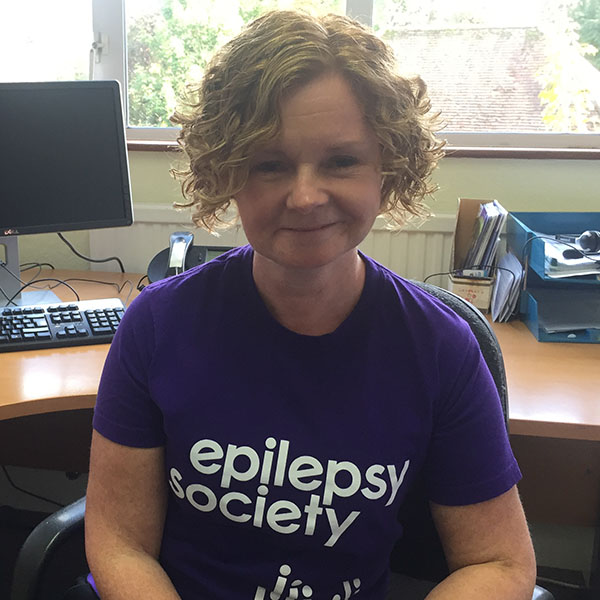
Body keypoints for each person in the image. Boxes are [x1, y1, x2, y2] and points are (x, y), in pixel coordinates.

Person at [84, 10, 536, 600]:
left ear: (387, 167)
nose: (304, 197)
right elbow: (120, 542)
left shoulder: (440, 348)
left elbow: (500, 564)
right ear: (228, 173)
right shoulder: (157, 325)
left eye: (341, 161)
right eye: (269, 165)